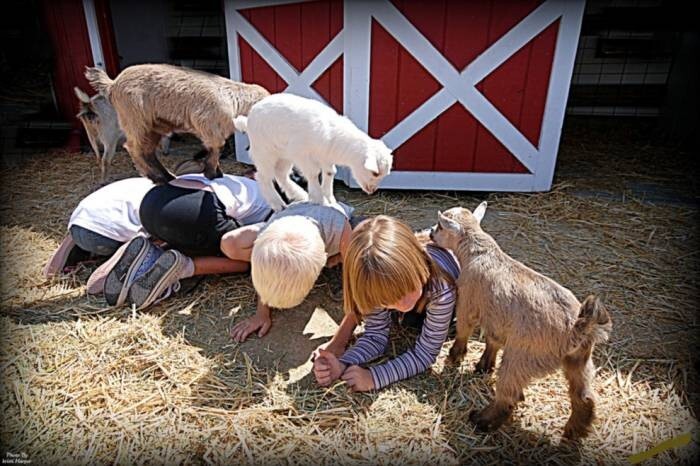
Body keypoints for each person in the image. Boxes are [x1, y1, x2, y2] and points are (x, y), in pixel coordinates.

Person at [312, 216, 460, 392]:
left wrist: (374, 377)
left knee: (412, 322)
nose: (402, 303)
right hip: (414, 274)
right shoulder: (375, 283)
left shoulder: (442, 290)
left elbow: (425, 354)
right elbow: (375, 335)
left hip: (439, 284)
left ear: (416, 266)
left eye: (407, 289)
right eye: (388, 300)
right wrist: (343, 362)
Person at [101, 168, 272, 307]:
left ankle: (150, 259)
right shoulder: (277, 200)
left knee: (191, 239)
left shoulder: (236, 181)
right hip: (193, 210)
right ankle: (183, 267)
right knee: (246, 261)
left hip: (153, 200)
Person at [229, 201, 355, 342]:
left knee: (366, 248)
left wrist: (339, 341)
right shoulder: (267, 240)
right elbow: (267, 271)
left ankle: (337, 261)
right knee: (229, 243)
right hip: (294, 217)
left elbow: (357, 283)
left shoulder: (338, 226)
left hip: (337, 221)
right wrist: (261, 313)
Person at [43, 177, 155, 277]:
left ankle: (72, 245)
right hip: (104, 237)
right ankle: (115, 262)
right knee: (147, 240)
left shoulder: (139, 181)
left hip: (78, 221)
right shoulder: (162, 194)